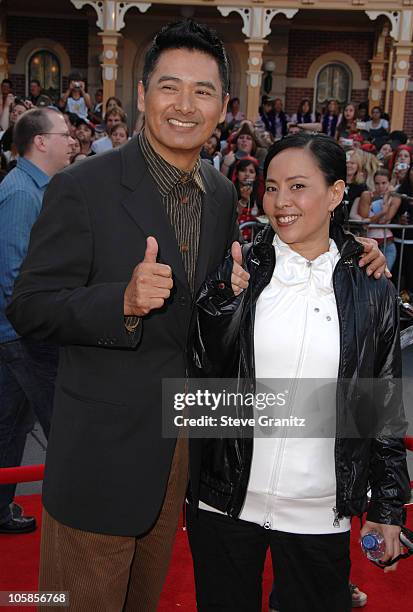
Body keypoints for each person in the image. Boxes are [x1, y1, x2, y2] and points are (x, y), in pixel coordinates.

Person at [6, 20, 239, 612]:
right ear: (141, 96)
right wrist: (121, 302)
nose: (185, 106)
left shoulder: (220, 193)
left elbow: (199, 314)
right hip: (99, 458)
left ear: (223, 106)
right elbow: (28, 307)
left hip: (178, 448)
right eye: (169, 87)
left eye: (203, 91)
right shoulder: (82, 188)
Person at [188, 132, 410, 612]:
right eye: (271, 187)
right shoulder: (241, 267)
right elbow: (201, 376)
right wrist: (220, 306)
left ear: (335, 193)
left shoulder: (372, 289)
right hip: (226, 503)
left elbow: (379, 406)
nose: (280, 202)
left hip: (318, 513)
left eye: (297, 186)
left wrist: (387, 505)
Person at [0, 108, 74, 534]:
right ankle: (75, 519)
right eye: (64, 134)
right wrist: (45, 328)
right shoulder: (22, 194)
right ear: (40, 142)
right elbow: (12, 276)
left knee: (10, 424)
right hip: (25, 336)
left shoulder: (34, 188)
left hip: (23, 332)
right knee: (62, 424)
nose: (73, 140)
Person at [358, 169, 399, 271]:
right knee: (369, 277)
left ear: (390, 183)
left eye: (384, 183)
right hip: (369, 244)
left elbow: (384, 221)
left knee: (384, 276)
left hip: (387, 244)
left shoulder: (395, 198)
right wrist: (382, 211)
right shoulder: (366, 195)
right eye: (377, 183)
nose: (380, 186)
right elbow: (364, 220)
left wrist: (385, 200)